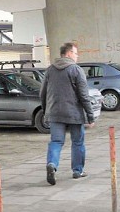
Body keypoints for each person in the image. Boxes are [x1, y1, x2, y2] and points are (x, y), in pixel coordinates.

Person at [40, 42, 95, 185]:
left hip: (55, 113)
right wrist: (90, 115)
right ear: (69, 53)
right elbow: (83, 95)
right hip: (74, 113)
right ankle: (78, 171)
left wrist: (46, 112)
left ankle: (52, 164)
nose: (77, 56)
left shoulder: (50, 70)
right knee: (77, 142)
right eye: (76, 53)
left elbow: (43, 93)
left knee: (56, 141)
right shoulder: (76, 70)